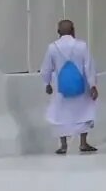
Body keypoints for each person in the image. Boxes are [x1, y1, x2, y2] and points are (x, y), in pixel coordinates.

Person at [41, 20, 99, 155]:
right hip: (81, 87)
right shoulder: (82, 46)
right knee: (84, 112)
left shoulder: (52, 48)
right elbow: (89, 67)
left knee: (61, 114)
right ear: (73, 30)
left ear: (58, 32)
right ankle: (83, 143)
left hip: (62, 88)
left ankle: (63, 145)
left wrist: (47, 83)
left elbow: (46, 69)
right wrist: (93, 85)